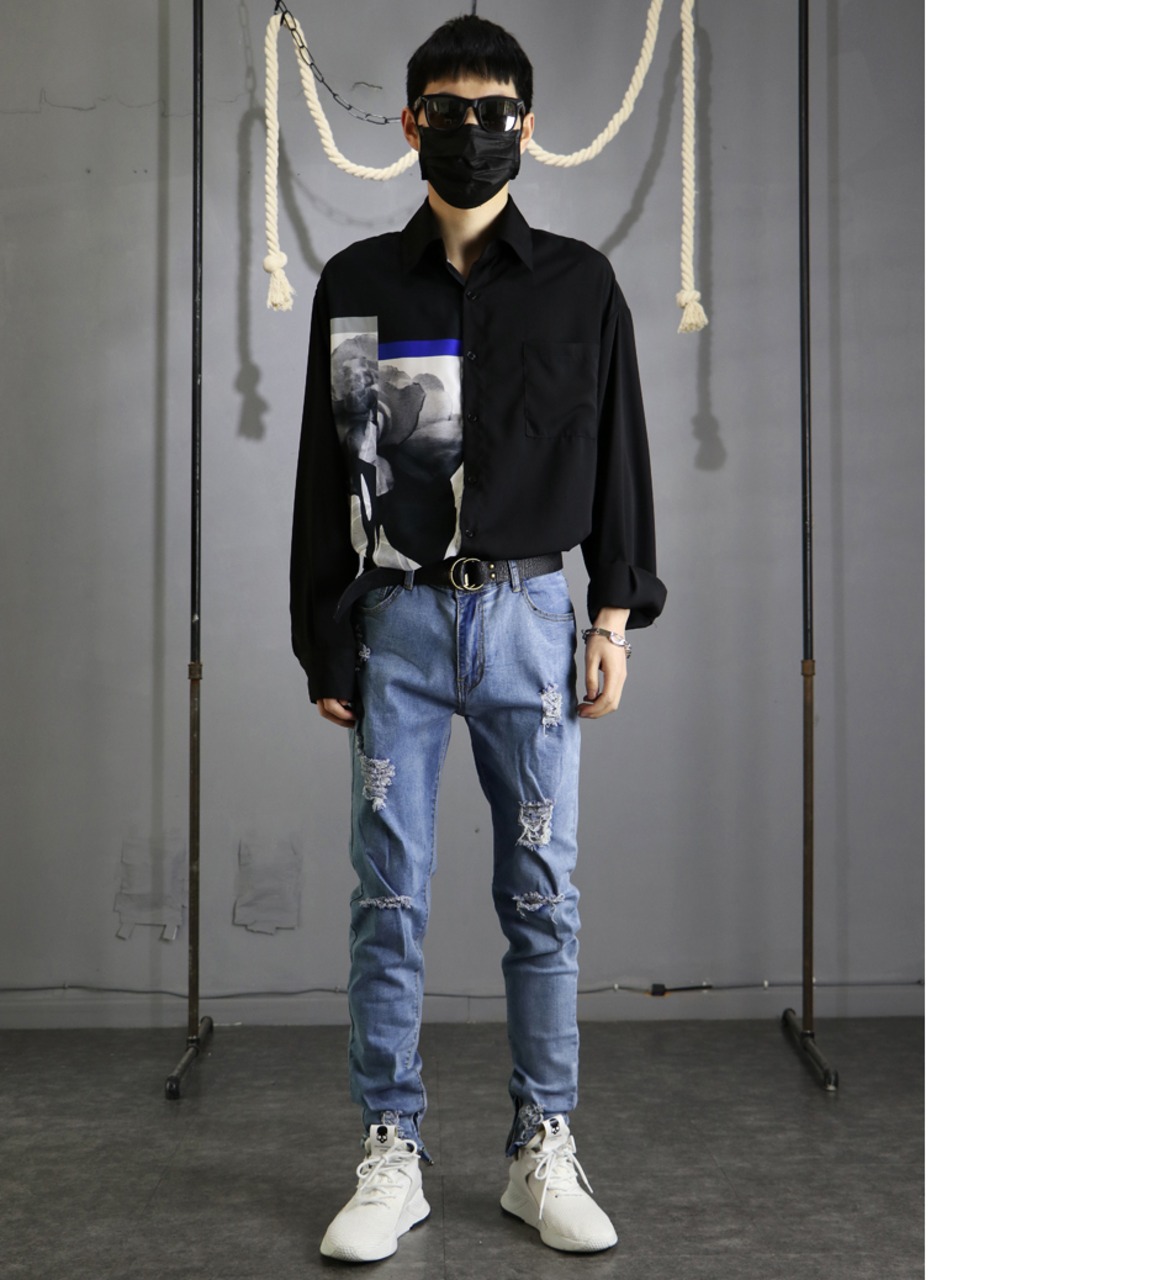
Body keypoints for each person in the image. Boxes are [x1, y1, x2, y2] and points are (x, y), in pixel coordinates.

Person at [289, 13, 665, 1266]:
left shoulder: (578, 285)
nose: (469, 132)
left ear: (527, 126)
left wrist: (611, 614)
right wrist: (322, 634)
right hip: (396, 618)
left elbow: (616, 453)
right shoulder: (358, 282)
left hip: (531, 620)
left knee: (541, 893)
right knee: (387, 897)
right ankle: (391, 1149)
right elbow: (331, 470)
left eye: (491, 112)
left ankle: (540, 1144)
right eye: (444, 112)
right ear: (409, 125)